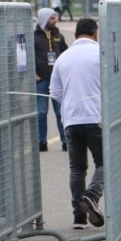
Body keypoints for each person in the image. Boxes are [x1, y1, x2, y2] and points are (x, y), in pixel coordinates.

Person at [49, 18, 105, 230]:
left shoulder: (63, 58)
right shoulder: (100, 55)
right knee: (105, 162)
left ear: (76, 34)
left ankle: (79, 217)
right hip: (97, 117)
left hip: (71, 119)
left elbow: (54, 93)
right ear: (95, 33)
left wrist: (71, 101)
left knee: (77, 168)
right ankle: (92, 195)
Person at [34, 8, 68, 152]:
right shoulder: (34, 37)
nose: (55, 20)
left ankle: (65, 141)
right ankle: (42, 142)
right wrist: (33, 74)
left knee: (60, 112)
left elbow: (67, 55)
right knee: (41, 112)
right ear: (44, 19)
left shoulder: (58, 36)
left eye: (55, 17)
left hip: (57, 80)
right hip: (41, 80)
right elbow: (27, 58)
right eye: (52, 18)